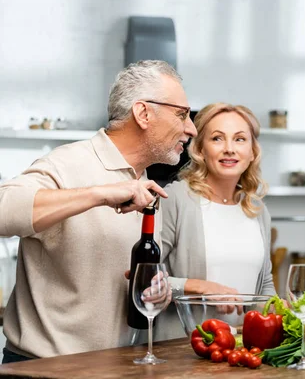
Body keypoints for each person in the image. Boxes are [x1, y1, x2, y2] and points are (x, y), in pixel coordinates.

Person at [0, 60, 197, 362]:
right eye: (181, 114)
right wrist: (101, 193)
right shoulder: (68, 163)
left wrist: (158, 289)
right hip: (43, 368)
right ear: (144, 113)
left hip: (111, 365)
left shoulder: (142, 180)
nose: (191, 128)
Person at [155, 103, 275, 341]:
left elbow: (265, 284)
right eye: (217, 139)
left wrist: (280, 308)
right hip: (185, 349)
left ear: (252, 152)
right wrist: (201, 287)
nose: (229, 149)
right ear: (200, 149)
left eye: (240, 139)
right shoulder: (176, 199)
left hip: (243, 349)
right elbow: (143, 277)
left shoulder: (257, 209)